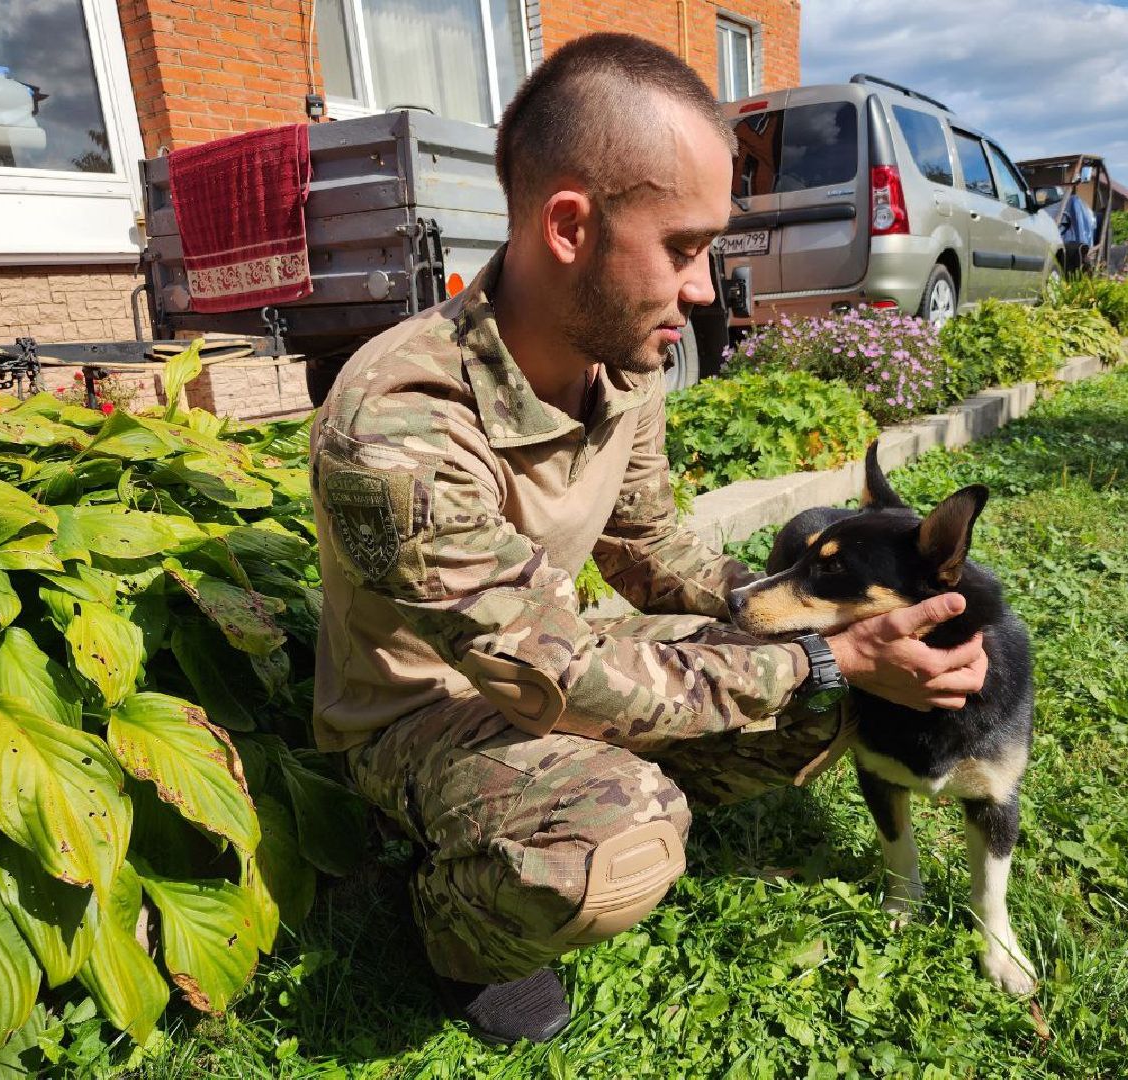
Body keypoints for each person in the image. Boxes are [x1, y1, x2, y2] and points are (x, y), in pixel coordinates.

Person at [309, 32, 988, 1046]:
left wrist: (812, 619)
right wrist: (818, 660)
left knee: (827, 691)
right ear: (569, 227)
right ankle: (455, 917)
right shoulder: (399, 424)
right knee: (619, 837)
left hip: (557, 661)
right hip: (421, 714)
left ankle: (591, 798)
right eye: (682, 247)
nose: (706, 287)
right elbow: (549, 673)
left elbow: (648, 547)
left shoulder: (622, 362)